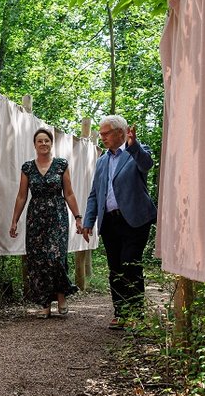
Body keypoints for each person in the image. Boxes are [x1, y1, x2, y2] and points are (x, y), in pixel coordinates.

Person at [79, 115, 156, 329]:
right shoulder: (102, 160)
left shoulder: (137, 152)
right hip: (110, 223)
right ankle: (121, 312)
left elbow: (146, 164)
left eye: (105, 133)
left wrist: (134, 146)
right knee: (115, 268)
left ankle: (136, 314)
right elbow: (95, 194)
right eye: (101, 133)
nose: (102, 137)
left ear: (120, 133)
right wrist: (88, 221)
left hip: (135, 220)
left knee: (130, 263)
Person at [9, 127, 84, 317]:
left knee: (56, 258)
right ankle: (44, 304)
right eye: (39, 141)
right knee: (38, 261)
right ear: (34, 145)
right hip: (35, 218)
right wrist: (14, 220)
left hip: (57, 216)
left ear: (51, 143)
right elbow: (21, 196)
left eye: (46, 140)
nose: (43, 144)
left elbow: (69, 193)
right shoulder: (27, 167)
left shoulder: (60, 165)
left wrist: (77, 217)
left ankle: (61, 296)